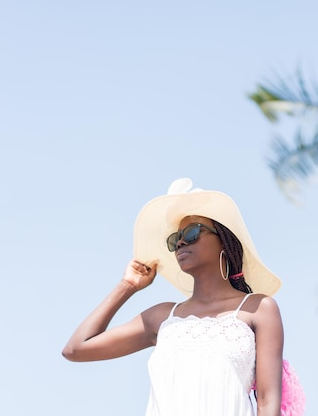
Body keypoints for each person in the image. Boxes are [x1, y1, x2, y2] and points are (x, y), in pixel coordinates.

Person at [62, 178, 285, 416]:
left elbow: (268, 401)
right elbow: (76, 349)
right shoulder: (163, 316)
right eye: (175, 239)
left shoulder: (258, 309)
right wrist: (127, 286)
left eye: (191, 233)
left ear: (224, 239)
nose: (180, 242)